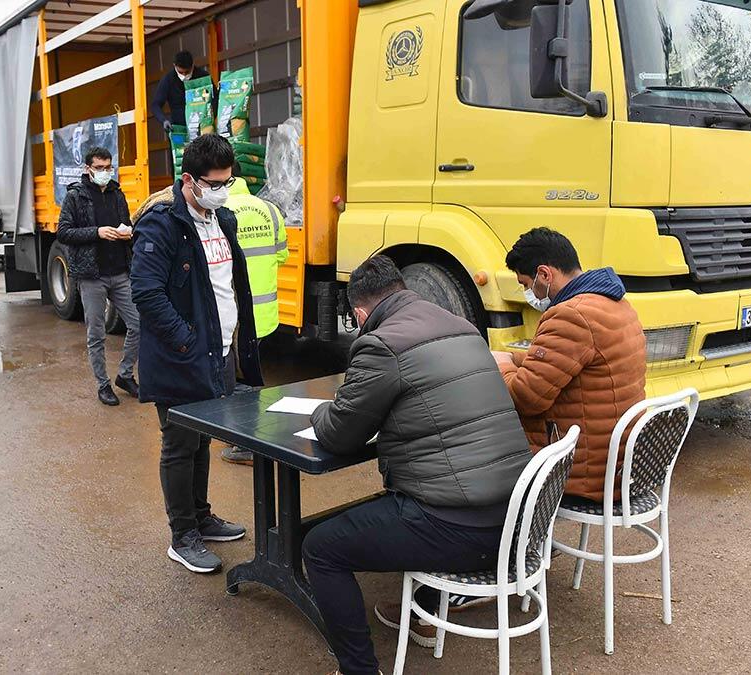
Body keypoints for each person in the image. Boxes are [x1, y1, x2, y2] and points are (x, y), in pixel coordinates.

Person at [302, 255, 530, 675]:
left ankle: (359, 669)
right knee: (415, 486)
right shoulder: (464, 328)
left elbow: (337, 433)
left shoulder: (381, 344)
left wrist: (320, 412)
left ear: (359, 313)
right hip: (517, 518)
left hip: (462, 528)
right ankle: (423, 612)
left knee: (320, 548)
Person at [131, 133, 264, 574]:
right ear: (189, 180)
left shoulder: (222, 219)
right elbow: (146, 294)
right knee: (178, 442)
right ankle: (182, 534)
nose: (222, 191)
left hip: (219, 352)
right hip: (183, 355)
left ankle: (202, 516)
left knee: (203, 437)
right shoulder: (161, 224)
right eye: (214, 183)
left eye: (228, 181)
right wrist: (187, 340)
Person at [495, 227, 647, 499]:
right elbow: (565, 362)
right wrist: (514, 358)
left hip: (586, 474)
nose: (528, 292)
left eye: (526, 284)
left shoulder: (570, 316)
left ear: (544, 274)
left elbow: (526, 398)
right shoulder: (615, 303)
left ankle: (517, 538)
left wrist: (501, 367)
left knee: (490, 449)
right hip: (623, 462)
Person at [56, 146, 141, 406]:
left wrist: (128, 233)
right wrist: (97, 232)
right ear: (88, 169)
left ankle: (125, 375)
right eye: (100, 168)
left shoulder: (117, 194)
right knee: (97, 333)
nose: (105, 172)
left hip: (119, 272)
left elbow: (127, 225)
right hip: (91, 275)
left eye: (108, 167)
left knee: (139, 324)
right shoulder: (76, 196)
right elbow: (64, 232)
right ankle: (103, 385)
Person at [219, 161, 289, 466]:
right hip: (265, 312)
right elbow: (282, 254)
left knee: (238, 380)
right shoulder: (270, 209)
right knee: (252, 372)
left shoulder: (221, 212)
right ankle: (253, 435)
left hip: (234, 315)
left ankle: (246, 443)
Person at [150, 50, 210, 135]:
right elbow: (155, 105)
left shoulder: (203, 77)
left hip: (202, 127)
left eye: (187, 72)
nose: (184, 75)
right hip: (179, 128)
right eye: (181, 72)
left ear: (192, 65)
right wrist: (164, 120)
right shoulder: (168, 80)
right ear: (175, 65)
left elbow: (214, 98)